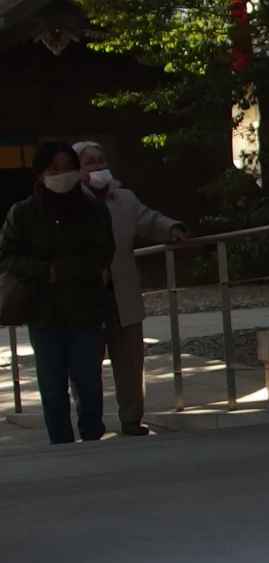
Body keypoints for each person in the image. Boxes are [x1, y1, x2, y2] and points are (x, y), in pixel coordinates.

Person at [1, 141, 117, 445]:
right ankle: (61, 443)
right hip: (43, 311)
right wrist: (43, 271)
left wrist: (61, 270)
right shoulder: (23, 213)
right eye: (54, 168)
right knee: (51, 385)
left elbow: (103, 253)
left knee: (88, 379)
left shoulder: (93, 210)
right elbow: (8, 256)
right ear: (41, 174)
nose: (62, 174)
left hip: (85, 308)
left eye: (68, 168)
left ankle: (92, 436)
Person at [76, 141, 187, 437]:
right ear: (77, 170)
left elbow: (149, 219)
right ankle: (90, 423)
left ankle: (131, 419)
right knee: (86, 368)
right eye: (90, 162)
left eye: (101, 160)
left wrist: (172, 228)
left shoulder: (123, 199)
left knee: (130, 362)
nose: (99, 167)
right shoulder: (70, 203)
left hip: (122, 294)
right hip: (84, 299)